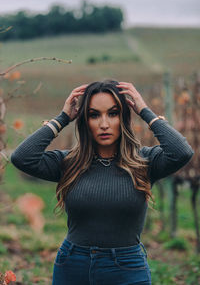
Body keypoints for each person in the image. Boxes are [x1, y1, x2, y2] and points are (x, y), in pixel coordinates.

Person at [11, 80, 194, 285]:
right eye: (94, 115)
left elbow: (182, 152)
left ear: (123, 118)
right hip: (73, 266)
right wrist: (63, 118)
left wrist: (144, 110)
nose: (104, 124)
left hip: (127, 268)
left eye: (113, 113)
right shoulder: (69, 163)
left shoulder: (144, 162)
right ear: (84, 121)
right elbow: (22, 157)